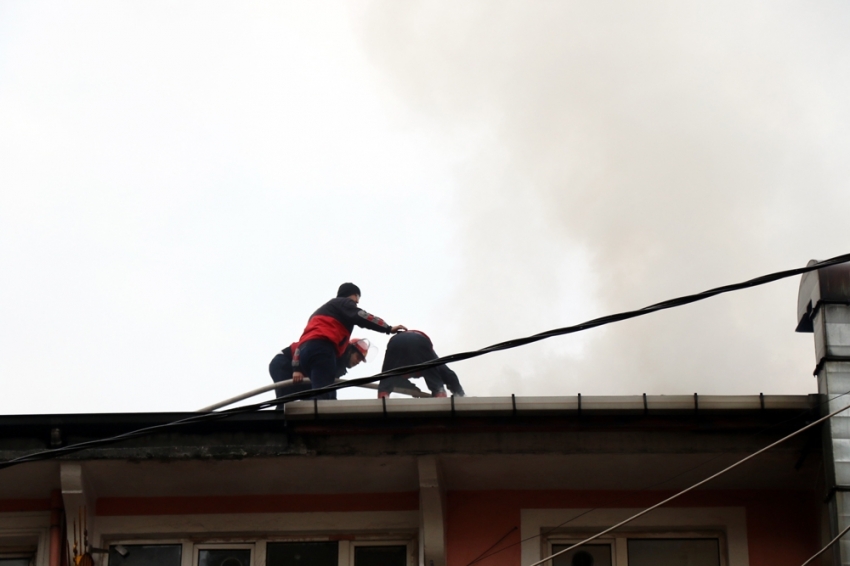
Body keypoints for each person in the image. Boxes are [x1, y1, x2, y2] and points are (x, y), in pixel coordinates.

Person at [292, 282, 406, 399]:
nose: (357, 303)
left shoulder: (319, 313)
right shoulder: (343, 303)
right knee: (323, 397)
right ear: (353, 295)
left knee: (324, 391)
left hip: (305, 355)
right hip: (323, 350)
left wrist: (297, 368)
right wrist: (388, 328)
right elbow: (362, 316)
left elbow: (302, 342)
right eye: (357, 298)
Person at [269, 338, 370, 408]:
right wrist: (297, 368)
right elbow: (302, 346)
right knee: (285, 401)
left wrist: (333, 407)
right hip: (284, 362)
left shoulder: (337, 366)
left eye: (361, 360)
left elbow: (329, 387)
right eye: (358, 357)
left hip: (301, 373)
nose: (358, 362)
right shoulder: (332, 351)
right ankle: (279, 428)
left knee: (316, 398)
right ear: (350, 351)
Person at [378, 330, 465, 398]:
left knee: (387, 376)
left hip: (395, 342)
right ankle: (439, 393)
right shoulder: (430, 359)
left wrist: (411, 389)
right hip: (418, 340)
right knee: (433, 376)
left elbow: (396, 381)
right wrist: (461, 395)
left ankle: (382, 397)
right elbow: (449, 375)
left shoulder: (398, 369)